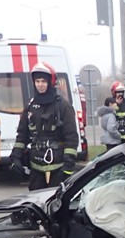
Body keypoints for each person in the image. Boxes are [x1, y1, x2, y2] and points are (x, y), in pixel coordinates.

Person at [10, 61, 80, 191]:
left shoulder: (63, 106)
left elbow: (71, 138)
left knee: (56, 204)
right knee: (36, 203)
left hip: (58, 167)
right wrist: (16, 157)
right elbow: (22, 135)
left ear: (50, 82)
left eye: (43, 81)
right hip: (36, 166)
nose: (40, 85)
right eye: (37, 81)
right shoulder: (31, 106)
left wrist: (68, 168)